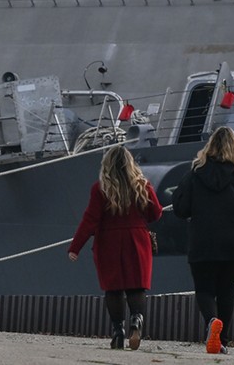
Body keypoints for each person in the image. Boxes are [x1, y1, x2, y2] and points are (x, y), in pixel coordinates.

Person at [171, 126, 234, 355]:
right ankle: (222, 341)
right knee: (227, 292)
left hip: (203, 243)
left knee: (205, 290)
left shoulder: (194, 174)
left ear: (209, 147)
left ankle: (211, 322)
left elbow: (180, 208)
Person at [68, 145, 162, 350]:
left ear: (107, 165)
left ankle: (118, 333)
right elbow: (156, 213)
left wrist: (75, 247)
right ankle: (136, 320)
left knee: (114, 289)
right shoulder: (142, 185)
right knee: (136, 286)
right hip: (136, 240)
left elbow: (90, 220)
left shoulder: (100, 188)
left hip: (109, 242)